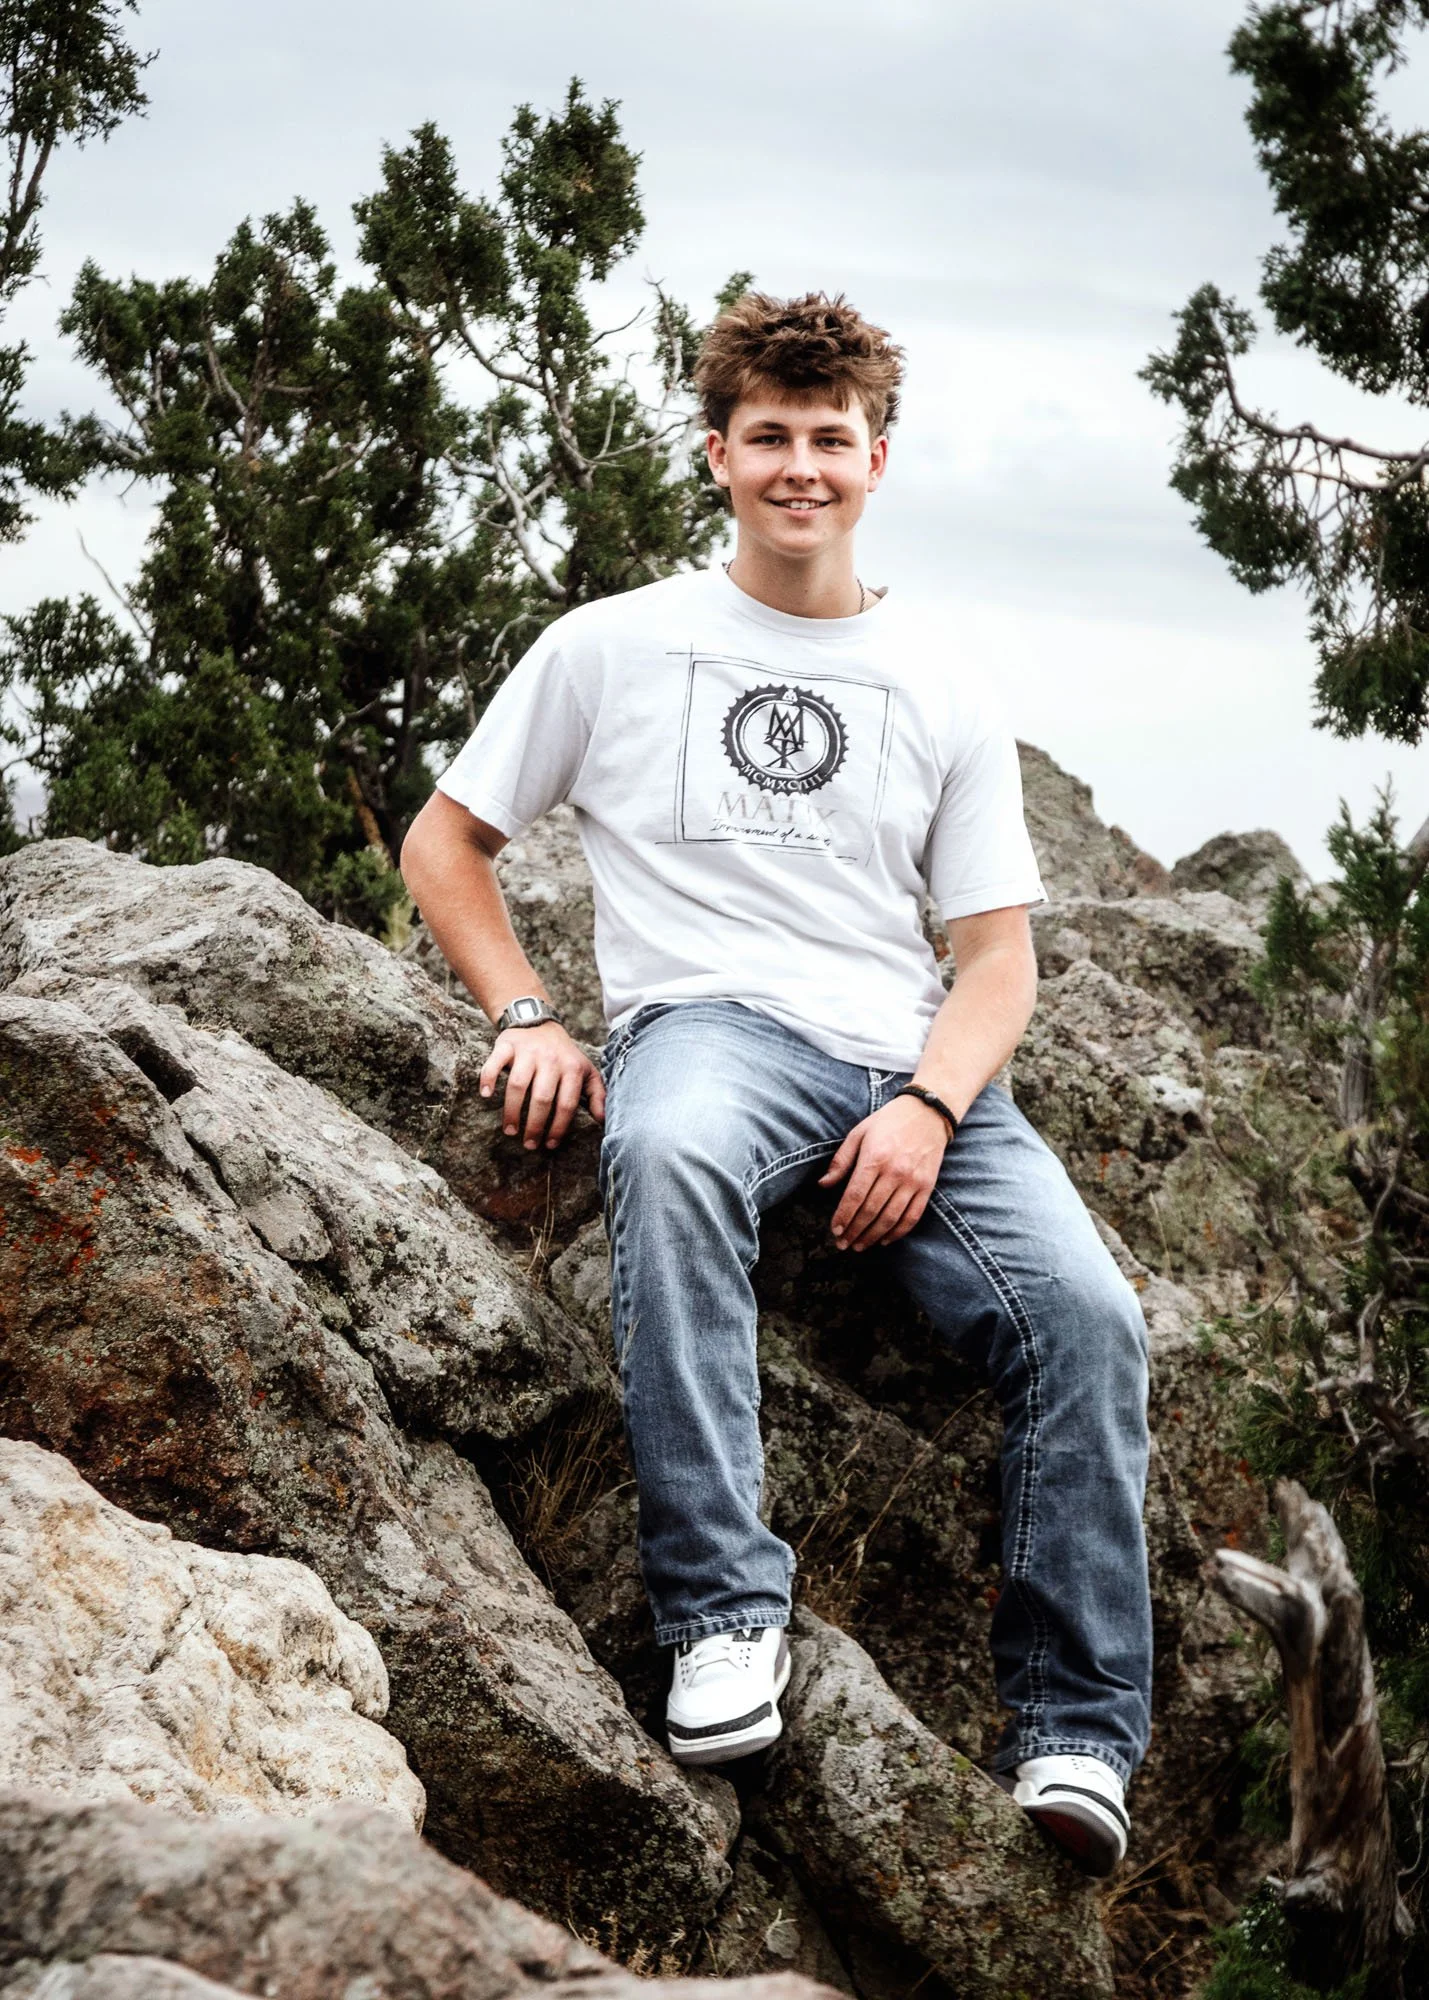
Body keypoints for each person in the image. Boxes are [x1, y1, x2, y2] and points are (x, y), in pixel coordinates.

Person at [399, 291, 1151, 1878]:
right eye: (770, 439)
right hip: (711, 1034)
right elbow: (444, 841)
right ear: (720, 452)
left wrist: (932, 1108)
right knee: (665, 1160)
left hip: (906, 1062)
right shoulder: (610, 646)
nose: (800, 467)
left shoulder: (942, 681)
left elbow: (996, 961)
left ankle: (1078, 1731)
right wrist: (529, 1010)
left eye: (830, 440)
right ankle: (726, 1622)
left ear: (878, 458)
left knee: (1089, 1316)